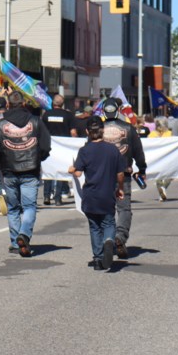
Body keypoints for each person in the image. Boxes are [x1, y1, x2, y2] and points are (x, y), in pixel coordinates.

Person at [0, 92, 51, 257]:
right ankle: (24, 234)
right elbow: (45, 145)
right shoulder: (36, 122)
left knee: (13, 208)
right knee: (29, 206)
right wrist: (38, 158)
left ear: (8, 105)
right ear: (23, 104)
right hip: (30, 170)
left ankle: (16, 242)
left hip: (8, 171)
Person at [68, 116, 126, 270]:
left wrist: (72, 170)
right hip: (107, 194)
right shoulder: (113, 150)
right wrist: (120, 188)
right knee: (108, 223)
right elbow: (121, 173)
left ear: (87, 131)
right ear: (103, 131)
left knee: (94, 226)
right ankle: (108, 240)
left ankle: (98, 259)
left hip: (90, 195)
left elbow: (78, 174)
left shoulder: (84, 151)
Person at [100, 99, 146, 259]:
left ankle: (107, 239)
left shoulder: (98, 128)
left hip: (102, 175)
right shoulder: (129, 128)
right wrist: (142, 168)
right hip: (123, 174)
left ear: (103, 110)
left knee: (105, 210)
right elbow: (138, 150)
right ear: (119, 110)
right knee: (124, 208)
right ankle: (120, 236)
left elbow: (90, 149)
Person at [42, 94, 75, 206]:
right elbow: (73, 132)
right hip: (63, 148)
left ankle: (46, 196)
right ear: (62, 104)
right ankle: (57, 198)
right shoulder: (68, 115)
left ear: (53, 103)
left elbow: (42, 131)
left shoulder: (46, 114)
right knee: (60, 171)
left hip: (48, 146)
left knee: (48, 170)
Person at [148, 117, 173, 201]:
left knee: (164, 176)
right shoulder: (169, 134)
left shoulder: (153, 134)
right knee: (165, 176)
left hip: (161, 158)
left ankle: (162, 189)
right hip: (163, 158)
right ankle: (163, 190)